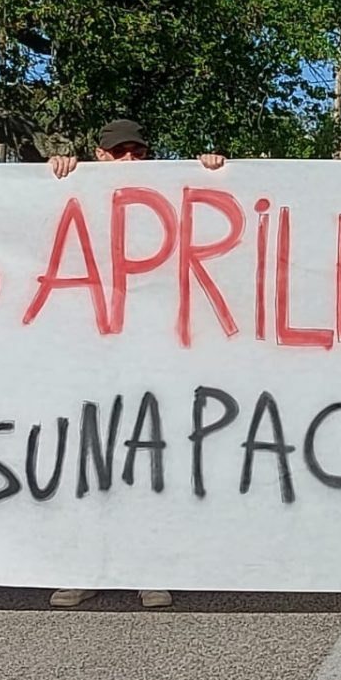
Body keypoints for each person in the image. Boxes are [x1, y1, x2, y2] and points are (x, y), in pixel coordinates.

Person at [45, 119, 226, 609]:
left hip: (152, 353)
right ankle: (87, 568)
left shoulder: (169, 195)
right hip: (89, 356)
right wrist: (56, 172)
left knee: (149, 464)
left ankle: (150, 569)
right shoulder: (71, 187)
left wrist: (212, 174)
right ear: (99, 155)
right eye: (119, 151)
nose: (129, 160)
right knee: (89, 464)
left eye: (138, 151)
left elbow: (214, 224)